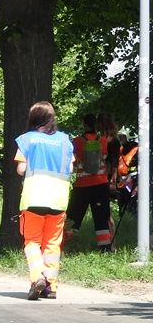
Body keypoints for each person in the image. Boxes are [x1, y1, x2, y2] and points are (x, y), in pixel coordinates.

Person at [13, 101, 73, 300]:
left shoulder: (27, 139)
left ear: (34, 118)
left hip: (34, 198)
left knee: (32, 241)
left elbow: (21, 169)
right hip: (59, 199)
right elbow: (70, 168)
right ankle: (51, 286)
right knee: (52, 244)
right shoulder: (65, 141)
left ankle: (37, 276)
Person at [65, 113, 113, 251]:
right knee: (101, 217)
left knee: (73, 217)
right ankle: (105, 248)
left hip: (82, 185)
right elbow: (105, 159)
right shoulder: (103, 141)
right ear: (96, 125)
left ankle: (62, 244)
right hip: (101, 184)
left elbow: (74, 162)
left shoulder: (77, 141)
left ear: (84, 125)